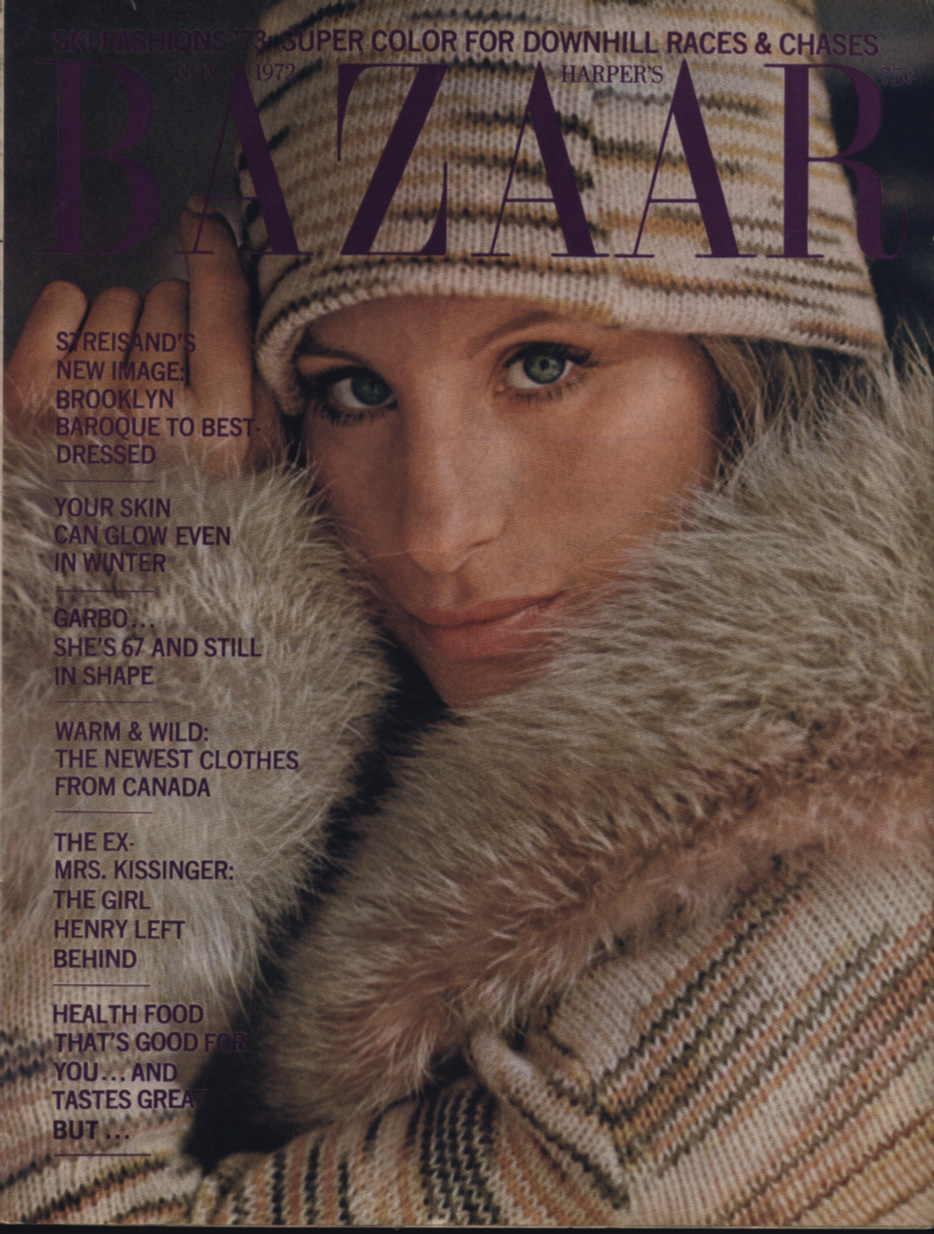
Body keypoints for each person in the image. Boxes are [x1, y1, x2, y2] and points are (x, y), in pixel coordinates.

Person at [3, 0, 932, 1224]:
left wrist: (132, 675)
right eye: (353, 389)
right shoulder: (397, 758)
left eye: (544, 364)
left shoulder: (826, 953)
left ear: (755, 367)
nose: (435, 526)